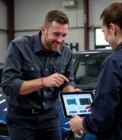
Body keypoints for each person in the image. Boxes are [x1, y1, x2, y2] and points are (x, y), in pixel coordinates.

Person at [70, 0, 122, 140]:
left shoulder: (114, 63)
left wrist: (82, 123)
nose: (105, 37)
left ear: (112, 28)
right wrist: (99, 106)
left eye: (103, 31)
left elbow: (101, 120)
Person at [2, 10, 81, 140]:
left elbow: (67, 82)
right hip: (21, 119)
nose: (60, 40)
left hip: (49, 117)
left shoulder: (66, 52)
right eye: (56, 34)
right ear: (43, 29)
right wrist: (44, 82)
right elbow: (8, 85)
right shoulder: (19, 47)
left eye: (64, 35)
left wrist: (70, 93)